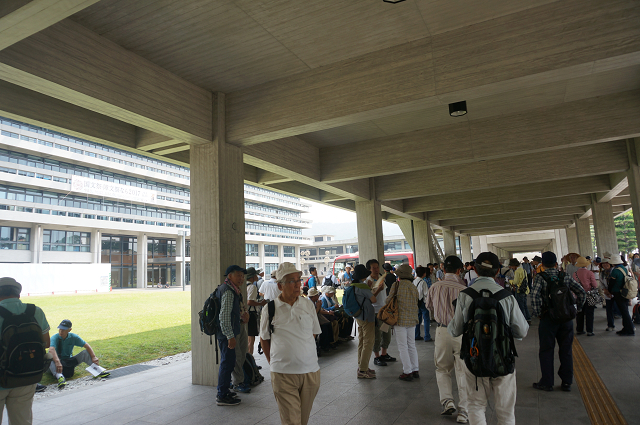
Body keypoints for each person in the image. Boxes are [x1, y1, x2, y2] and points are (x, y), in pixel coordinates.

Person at [449, 252, 529, 425]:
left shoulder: (465, 295)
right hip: (503, 358)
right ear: (497, 271)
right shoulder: (506, 296)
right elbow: (522, 331)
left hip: (474, 358)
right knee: (506, 412)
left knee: (475, 406)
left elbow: (455, 330)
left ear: (475, 270)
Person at [260, 262, 321, 425]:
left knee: (302, 420)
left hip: (310, 372)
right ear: (280, 286)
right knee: (291, 422)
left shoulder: (307, 304)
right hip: (283, 374)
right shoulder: (270, 309)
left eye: (298, 279)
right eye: (291, 281)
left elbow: (314, 332)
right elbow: (264, 338)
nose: (297, 285)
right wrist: (273, 363)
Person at [531, 251, 586, 392]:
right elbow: (581, 292)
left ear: (543, 265)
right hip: (566, 319)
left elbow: (535, 297)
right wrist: (577, 309)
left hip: (548, 319)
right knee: (566, 350)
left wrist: (538, 314)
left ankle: (547, 382)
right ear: (556, 264)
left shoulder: (540, 277)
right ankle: (567, 382)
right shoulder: (565, 276)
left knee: (546, 351)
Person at [0, 277, 50, 425]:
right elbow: (46, 342)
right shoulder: (35, 311)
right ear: (18, 294)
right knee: (22, 421)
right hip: (26, 376)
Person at [425, 256, 468, 423]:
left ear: (443, 269)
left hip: (442, 331)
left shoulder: (435, 287)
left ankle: (447, 401)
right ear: (459, 270)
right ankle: (464, 411)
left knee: (442, 368)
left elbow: (429, 306)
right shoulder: (464, 289)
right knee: (463, 370)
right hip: (461, 333)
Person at [216, 265, 248, 406]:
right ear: (229, 276)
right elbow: (224, 317)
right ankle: (222, 395)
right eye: (238, 275)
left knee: (229, 362)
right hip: (226, 334)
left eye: (242, 276)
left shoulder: (232, 289)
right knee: (227, 363)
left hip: (229, 332)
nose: (241, 278)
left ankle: (224, 390)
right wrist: (230, 336)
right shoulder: (228, 292)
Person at [49, 319, 110, 389]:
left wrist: (93, 357)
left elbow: (86, 345)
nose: (61, 331)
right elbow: (51, 349)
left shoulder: (73, 337)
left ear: (69, 330)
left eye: (64, 329)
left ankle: (98, 371)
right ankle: (60, 377)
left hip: (68, 361)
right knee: (49, 356)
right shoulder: (55, 337)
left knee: (85, 353)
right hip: (55, 363)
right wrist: (57, 362)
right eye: (60, 329)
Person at [389, 264, 420, 381]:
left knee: (403, 346)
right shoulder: (413, 286)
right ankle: (415, 369)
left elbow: (388, 300)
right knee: (411, 345)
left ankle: (407, 371)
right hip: (412, 319)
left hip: (400, 319)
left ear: (400, 276)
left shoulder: (396, 285)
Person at [364, 259, 395, 367]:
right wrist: (377, 290)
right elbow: (370, 299)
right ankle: (376, 357)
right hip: (375, 312)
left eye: (377, 267)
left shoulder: (381, 278)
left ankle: (384, 354)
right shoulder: (368, 281)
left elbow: (385, 293)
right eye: (374, 268)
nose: (376, 270)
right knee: (377, 335)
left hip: (385, 311)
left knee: (387, 334)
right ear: (369, 269)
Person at [351, 264, 377, 379]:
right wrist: (376, 289)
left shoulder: (353, 285)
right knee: (368, 342)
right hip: (367, 317)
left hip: (359, 316)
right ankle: (363, 370)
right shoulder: (363, 287)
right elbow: (373, 299)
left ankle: (362, 366)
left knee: (361, 341)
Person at [604, 254, 635, 336]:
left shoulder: (615, 270)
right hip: (624, 292)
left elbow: (612, 283)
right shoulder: (624, 268)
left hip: (618, 293)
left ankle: (629, 330)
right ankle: (626, 328)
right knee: (625, 311)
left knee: (624, 312)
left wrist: (609, 291)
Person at [572, 256, 598, 336]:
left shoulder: (575, 274)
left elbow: (573, 286)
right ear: (586, 265)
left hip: (578, 296)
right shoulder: (590, 273)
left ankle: (579, 329)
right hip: (589, 295)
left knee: (579, 313)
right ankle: (589, 331)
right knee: (589, 313)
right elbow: (595, 285)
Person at [246, 267, 268, 355]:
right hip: (251, 314)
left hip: (245, 313)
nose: (257, 276)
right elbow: (249, 302)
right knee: (251, 340)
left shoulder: (244, 286)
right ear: (251, 277)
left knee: (248, 339)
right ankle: (250, 359)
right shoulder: (252, 287)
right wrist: (261, 303)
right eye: (255, 274)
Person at [507, 258, 531, 323]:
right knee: (525, 305)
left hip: (519, 290)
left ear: (514, 265)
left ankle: (523, 320)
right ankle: (528, 318)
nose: (512, 268)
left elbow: (516, 282)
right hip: (525, 289)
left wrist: (510, 281)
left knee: (521, 306)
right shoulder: (523, 270)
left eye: (512, 266)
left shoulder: (517, 271)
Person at [413, 266, 432, 342]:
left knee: (418, 319)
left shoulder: (414, 281)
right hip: (423, 302)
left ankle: (416, 335)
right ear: (424, 274)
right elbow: (426, 294)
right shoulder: (423, 282)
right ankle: (427, 336)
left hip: (416, 302)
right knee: (426, 319)